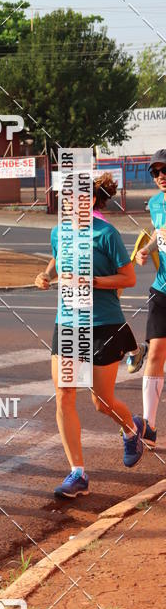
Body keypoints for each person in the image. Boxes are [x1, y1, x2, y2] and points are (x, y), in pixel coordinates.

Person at [36, 172, 145, 499]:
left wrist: (94, 282)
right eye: (68, 197)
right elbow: (58, 258)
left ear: (93, 200)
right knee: (65, 395)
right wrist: (46, 274)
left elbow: (129, 278)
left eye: (80, 196)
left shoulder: (106, 234)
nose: (72, 202)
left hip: (104, 324)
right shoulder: (58, 232)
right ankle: (78, 473)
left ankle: (131, 429)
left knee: (101, 401)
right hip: (67, 323)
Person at [134, 148, 166, 449]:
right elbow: (159, 234)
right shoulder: (156, 203)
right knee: (156, 353)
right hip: (162, 288)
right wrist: (148, 249)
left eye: (164, 170)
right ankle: (149, 426)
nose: (160, 176)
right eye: (155, 172)